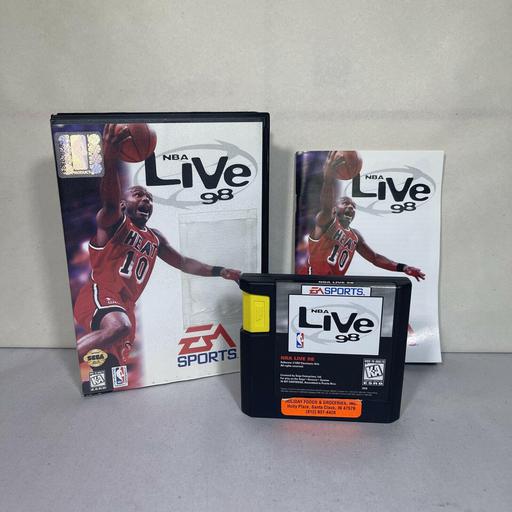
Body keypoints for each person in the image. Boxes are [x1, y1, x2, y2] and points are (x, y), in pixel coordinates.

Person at [74, 124, 241, 376]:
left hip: (126, 306)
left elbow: (184, 262)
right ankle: (63, 366)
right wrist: (109, 156)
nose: (146, 200)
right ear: (123, 204)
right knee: (118, 327)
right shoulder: (113, 222)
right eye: (138, 195)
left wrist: (220, 271)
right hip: (101, 293)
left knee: (113, 370)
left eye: (150, 199)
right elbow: (109, 201)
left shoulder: (155, 238)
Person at [306, 151, 425, 282]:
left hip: (336, 287)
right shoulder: (326, 221)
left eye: (353, 206)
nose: (351, 207)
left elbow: (375, 258)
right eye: (345, 203)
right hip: (313, 283)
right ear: (334, 209)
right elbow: (326, 204)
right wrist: (328, 179)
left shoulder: (355, 236)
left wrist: (403, 267)